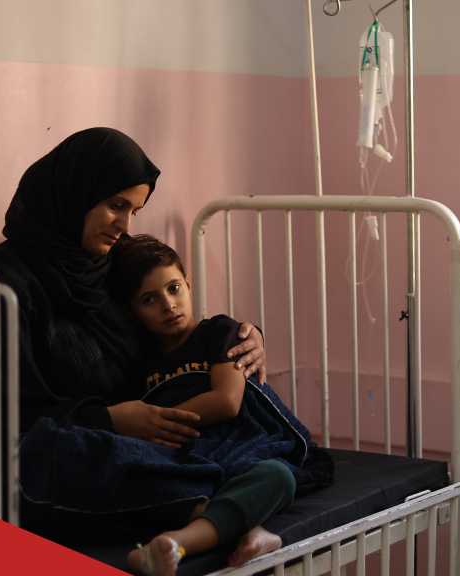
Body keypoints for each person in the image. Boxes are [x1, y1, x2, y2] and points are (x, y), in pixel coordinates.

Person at [0, 127, 269, 547]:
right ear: (74, 194)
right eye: (116, 206)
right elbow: (1, 418)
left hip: (146, 439)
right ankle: (221, 513)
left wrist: (244, 339)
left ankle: (210, 505)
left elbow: (176, 332)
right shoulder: (1, 285)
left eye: (134, 211)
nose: (124, 225)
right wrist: (110, 420)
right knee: (63, 457)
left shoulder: (116, 265)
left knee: (244, 435)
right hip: (56, 456)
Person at [109, 235, 318, 574]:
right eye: (149, 300)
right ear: (133, 311)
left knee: (277, 476)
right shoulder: (140, 364)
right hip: (186, 456)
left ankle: (176, 544)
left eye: (174, 288)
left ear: (188, 284)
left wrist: (157, 422)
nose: (168, 305)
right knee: (126, 473)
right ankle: (250, 530)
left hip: (237, 444)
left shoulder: (218, 332)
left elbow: (227, 401)